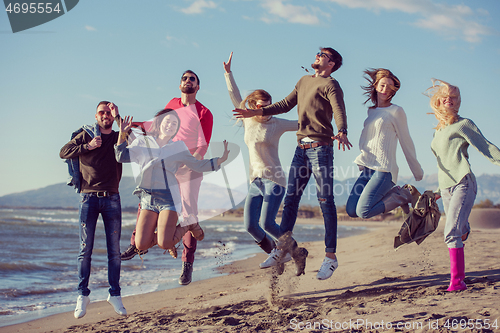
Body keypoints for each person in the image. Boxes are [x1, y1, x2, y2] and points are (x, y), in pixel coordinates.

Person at [233, 47, 352, 280]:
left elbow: (338, 108)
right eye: (318, 53)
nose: (317, 55)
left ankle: (330, 257)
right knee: (291, 201)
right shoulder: (303, 80)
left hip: (321, 148)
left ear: (332, 64)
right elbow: (284, 105)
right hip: (301, 150)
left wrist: (343, 130)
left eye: (323, 55)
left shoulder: (331, 85)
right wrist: (254, 113)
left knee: (326, 201)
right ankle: (282, 249)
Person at [121, 70, 213, 286]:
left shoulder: (204, 112)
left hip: (188, 168)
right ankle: (136, 244)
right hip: (165, 167)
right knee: (147, 198)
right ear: (180, 84)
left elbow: (203, 145)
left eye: (192, 79)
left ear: (198, 87)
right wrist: (131, 126)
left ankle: (187, 264)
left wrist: (189, 163)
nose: (188, 81)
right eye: (184, 78)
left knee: (188, 213)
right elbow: (156, 125)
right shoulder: (172, 103)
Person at [115, 109, 229, 275]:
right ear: (159, 123)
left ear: (176, 129)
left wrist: (219, 160)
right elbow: (121, 156)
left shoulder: (178, 147)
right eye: (167, 121)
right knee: (140, 244)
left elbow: (196, 165)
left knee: (164, 242)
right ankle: (178, 229)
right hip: (148, 199)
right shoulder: (144, 142)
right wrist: (122, 135)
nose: (170, 125)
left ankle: (188, 224)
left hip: (168, 198)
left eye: (174, 124)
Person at [224, 52, 297, 273]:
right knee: (250, 226)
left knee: (267, 224)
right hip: (255, 182)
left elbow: (302, 123)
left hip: (274, 179)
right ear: (254, 105)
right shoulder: (247, 119)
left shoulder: (277, 123)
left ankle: (294, 251)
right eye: (261, 106)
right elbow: (235, 96)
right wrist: (228, 73)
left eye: (268, 105)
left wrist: (325, 121)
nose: (265, 110)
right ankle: (276, 252)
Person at [426, 79, 500, 291]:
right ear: (439, 100)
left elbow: (486, 147)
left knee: (450, 232)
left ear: (458, 102)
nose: (449, 99)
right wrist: (439, 190)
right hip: (446, 188)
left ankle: (457, 282)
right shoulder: (438, 131)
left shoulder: (464, 124)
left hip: (463, 183)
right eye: (446, 96)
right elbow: (443, 162)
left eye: (454, 97)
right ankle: (464, 228)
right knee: (458, 228)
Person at [60, 101, 127, 319]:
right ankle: (82, 295)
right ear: (96, 116)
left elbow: (133, 140)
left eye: (109, 112)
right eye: (102, 112)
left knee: (114, 252)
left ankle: (115, 294)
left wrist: (119, 117)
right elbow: (63, 152)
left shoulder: (119, 135)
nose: (105, 115)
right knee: (84, 250)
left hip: (112, 198)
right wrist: (88, 147)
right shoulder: (85, 135)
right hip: (88, 198)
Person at [346, 69, 423, 219]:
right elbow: (368, 139)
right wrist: (362, 159)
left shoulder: (396, 111)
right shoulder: (371, 112)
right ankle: (394, 194)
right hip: (368, 169)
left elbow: (406, 141)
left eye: (389, 87)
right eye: (382, 85)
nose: (385, 89)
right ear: (375, 86)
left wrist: (417, 171)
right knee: (351, 210)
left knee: (364, 211)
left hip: (384, 170)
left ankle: (402, 195)